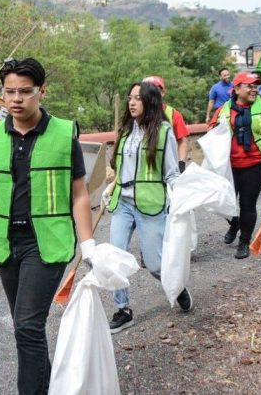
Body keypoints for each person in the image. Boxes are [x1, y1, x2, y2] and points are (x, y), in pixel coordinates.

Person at [0, 58, 95, 394]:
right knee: (25, 326)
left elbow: (79, 194)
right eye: (10, 92)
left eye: (25, 92)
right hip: (6, 243)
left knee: (28, 327)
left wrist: (88, 244)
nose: (16, 99)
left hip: (47, 244)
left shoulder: (63, 133)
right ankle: (48, 386)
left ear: (41, 92)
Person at [102, 80, 188, 334]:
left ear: (150, 101)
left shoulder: (163, 131)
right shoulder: (126, 131)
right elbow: (120, 169)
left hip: (150, 204)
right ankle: (123, 309)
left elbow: (171, 172)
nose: (131, 102)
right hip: (123, 204)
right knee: (115, 257)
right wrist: (110, 188)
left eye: (137, 98)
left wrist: (181, 198)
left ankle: (177, 286)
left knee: (153, 265)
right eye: (130, 97)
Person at [209, 72, 261, 259]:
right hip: (229, 166)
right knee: (224, 204)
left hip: (254, 164)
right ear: (236, 89)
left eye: (255, 86)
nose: (253, 90)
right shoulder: (224, 110)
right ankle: (234, 223)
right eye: (249, 86)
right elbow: (211, 133)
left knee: (247, 205)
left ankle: (244, 241)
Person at [143, 75, 191, 172]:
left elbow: (183, 140)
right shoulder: (136, 114)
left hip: (167, 168)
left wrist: (181, 163)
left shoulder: (173, 114)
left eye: (154, 90)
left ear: (163, 92)